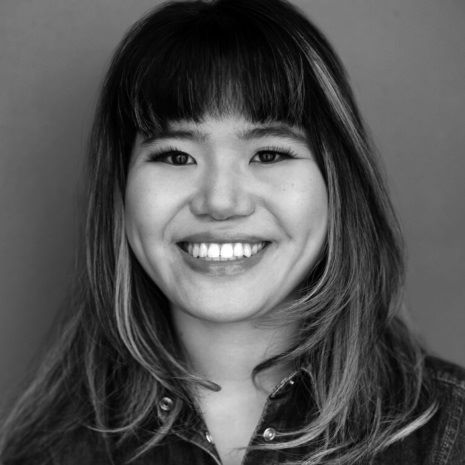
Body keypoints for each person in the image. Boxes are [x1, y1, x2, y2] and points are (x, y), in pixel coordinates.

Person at [1, 0, 465, 464]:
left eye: (268, 154)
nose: (220, 201)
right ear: (120, 192)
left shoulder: (450, 435)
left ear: (337, 184)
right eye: (175, 156)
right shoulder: (46, 452)